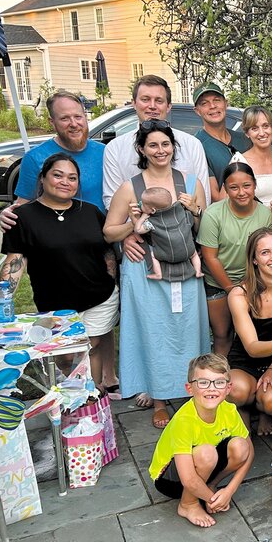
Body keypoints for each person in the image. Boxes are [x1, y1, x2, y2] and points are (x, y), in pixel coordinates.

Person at [104, 119, 210, 429]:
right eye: (153, 145)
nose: (160, 150)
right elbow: (109, 232)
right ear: (142, 149)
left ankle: (196, 394)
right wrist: (132, 227)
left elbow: (201, 231)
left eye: (165, 144)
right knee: (154, 332)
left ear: (173, 148)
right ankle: (160, 398)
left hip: (186, 269)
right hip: (145, 270)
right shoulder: (131, 187)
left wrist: (196, 211)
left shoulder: (191, 184)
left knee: (189, 331)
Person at [0, 152, 118, 392]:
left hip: (100, 297)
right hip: (54, 302)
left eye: (72, 178)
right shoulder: (22, 217)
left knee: (89, 348)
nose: (65, 182)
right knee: (64, 357)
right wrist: (0, 302)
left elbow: (106, 252)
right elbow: (15, 263)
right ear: (42, 178)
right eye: (58, 175)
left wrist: (112, 281)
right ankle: (69, 397)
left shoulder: (91, 211)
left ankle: (90, 399)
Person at [148, 354, 253, 528]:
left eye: (219, 382)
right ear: (189, 388)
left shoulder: (229, 409)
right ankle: (188, 504)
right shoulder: (184, 420)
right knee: (206, 453)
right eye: (203, 382)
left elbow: (249, 451)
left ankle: (209, 485)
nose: (211, 389)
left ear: (228, 388)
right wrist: (214, 501)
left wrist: (229, 490)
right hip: (170, 480)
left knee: (240, 446)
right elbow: (188, 478)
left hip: (202, 469)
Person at [227, 227, 272, 436]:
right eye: (265, 252)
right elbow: (251, 348)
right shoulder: (239, 295)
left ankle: (264, 411)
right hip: (246, 360)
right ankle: (244, 408)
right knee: (236, 391)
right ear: (254, 260)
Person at [197, 162, 272, 356]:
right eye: (233, 187)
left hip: (252, 281)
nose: (241, 192)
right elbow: (210, 257)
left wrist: (249, 285)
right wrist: (233, 290)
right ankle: (219, 376)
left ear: (255, 185)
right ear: (225, 189)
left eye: (246, 186)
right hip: (219, 282)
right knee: (223, 334)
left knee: (251, 334)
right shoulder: (213, 214)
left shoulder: (265, 215)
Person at [102, 74, 210, 210]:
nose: (152, 106)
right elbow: (111, 201)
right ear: (134, 103)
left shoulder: (192, 144)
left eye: (159, 100)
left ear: (169, 106)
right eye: (145, 99)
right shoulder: (115, 148)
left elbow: (203, 196)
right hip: (135, 229)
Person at [8, 90, 106, 213]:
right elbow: (24, 205)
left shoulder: (104, 152)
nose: (74, 124)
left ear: (85, 117)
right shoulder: (35, 157)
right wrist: (9, 214)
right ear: (52, 122)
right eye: (65, 118)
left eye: (78, 116)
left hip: (102, 230)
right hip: (56, 229)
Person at [192, 81, 252, 201]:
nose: (212, 106)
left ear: (225, 104)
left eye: (217, 100)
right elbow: (215, 196)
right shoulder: (197, 145)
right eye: (204, 103)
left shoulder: (244, 140)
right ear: (197, 111)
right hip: (225, 215)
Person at [134, 186, 203, 281]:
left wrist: (142, 218)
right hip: (188, 251)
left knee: (153, 256)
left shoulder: (152, 222)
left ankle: (158, 274)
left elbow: (138, 230)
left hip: (167, 255)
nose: (141, 205)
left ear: (153, 210)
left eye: (144, 204)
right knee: (194, 255)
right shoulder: (181, 213)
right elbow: (191, 221)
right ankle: (198, 271)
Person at [234, 106, 272, 206]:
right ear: (247, 133)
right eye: (254, 128)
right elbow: (230, 201)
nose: (262, 133)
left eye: (266, 126)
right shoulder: (239, 163)